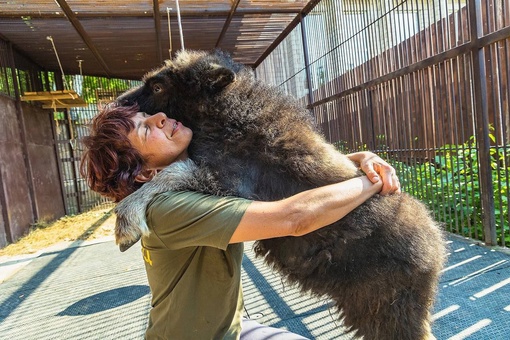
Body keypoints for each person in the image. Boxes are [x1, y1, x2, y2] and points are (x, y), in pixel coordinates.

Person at [80, 103, 401, 340]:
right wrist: (371, 182)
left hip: (229, 328)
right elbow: (296, 217)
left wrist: (360, 160)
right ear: (145, 174)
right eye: (146, 129)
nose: (159, 117)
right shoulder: (169, 206)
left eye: (148, 117)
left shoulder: (194, 180)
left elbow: (279, 185)